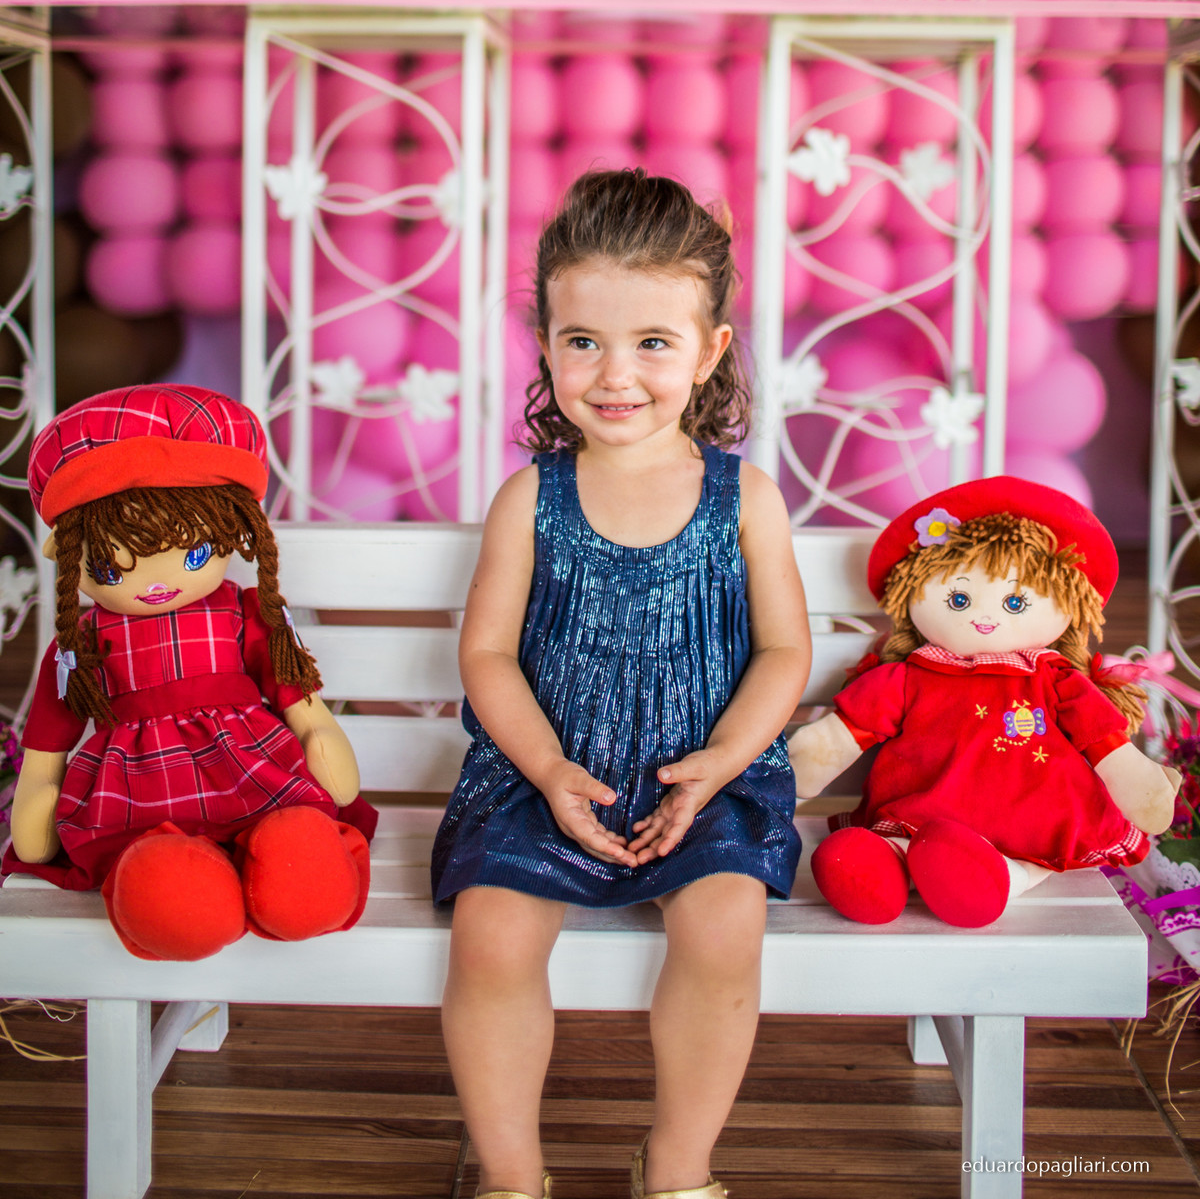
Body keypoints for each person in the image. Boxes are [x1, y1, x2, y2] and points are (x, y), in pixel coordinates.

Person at [431, 169, 812, 1199]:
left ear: (711, 352)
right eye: (582, 340)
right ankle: (513, 1175)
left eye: (653, 342)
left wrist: (724, 761)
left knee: (725, 925)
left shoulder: (745, 499)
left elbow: (784, 651)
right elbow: (488, 657)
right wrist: (549, 769)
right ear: (546, 343)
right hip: (543, 774)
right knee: (492, 936)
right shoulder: (531, 499)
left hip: (704, 776)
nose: (615, 373)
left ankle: (677, 1167)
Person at [5, 383, 376, 961]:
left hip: (251, 770)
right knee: (163, 881)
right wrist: (38, 791)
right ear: (68, 553)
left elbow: (297, 698)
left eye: (193, 553)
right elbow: (50, 740)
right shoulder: (79, 645)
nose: (155, 583)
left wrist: (318, 734)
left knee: (295, 846)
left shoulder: (245, 612)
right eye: (110, 564)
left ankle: (289, 867)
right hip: (133, 792)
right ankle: (176, 892)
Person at [789, 477, 1180, 929]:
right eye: (958, 598)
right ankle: (881, 867)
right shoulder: (908, 676)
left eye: (1015, 601)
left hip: (1035, 821)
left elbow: (1103, 741)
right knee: (889, 844)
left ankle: (1002, 878)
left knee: (1022, 856)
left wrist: (1141, 786)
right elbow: (846, 732)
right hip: (923, 809)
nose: (986, 618)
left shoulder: (1058, 681)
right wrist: (805, 763)